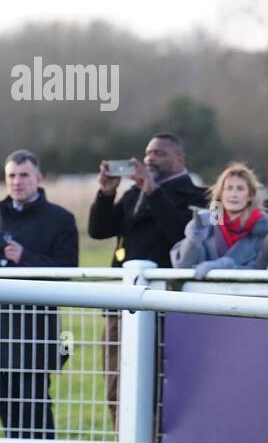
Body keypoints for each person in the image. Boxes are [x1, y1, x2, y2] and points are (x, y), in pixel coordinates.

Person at [88, 133, 206, 427]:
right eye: (148, 153)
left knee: (160, 384)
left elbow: (181, 235)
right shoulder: (133, 194)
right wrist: (106, 193)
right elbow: (99, 231)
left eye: (160, 153)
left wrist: (153, 192)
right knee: (117, 381)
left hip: (167, 306)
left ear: (180, 159)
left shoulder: (197, 196)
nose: (150, 159)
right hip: (122, 304)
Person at [0, 150, 79, 440]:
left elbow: (68, 270)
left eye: (24, 175)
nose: (17, 182)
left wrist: (25, 257)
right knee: (4, 397)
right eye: (12, 176)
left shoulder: (61, 219)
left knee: (35, 397)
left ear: (38, 178)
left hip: (36, 326)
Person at [171, 162, 267, 276]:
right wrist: (194, 238)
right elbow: (182, 265)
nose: (233, 194)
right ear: (221, 194)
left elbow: (258, 270)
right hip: (202, 287)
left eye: (240, 189)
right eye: (229, 188)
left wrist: (224, 265)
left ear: (250, 195)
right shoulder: (204, 223)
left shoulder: (263, 229)